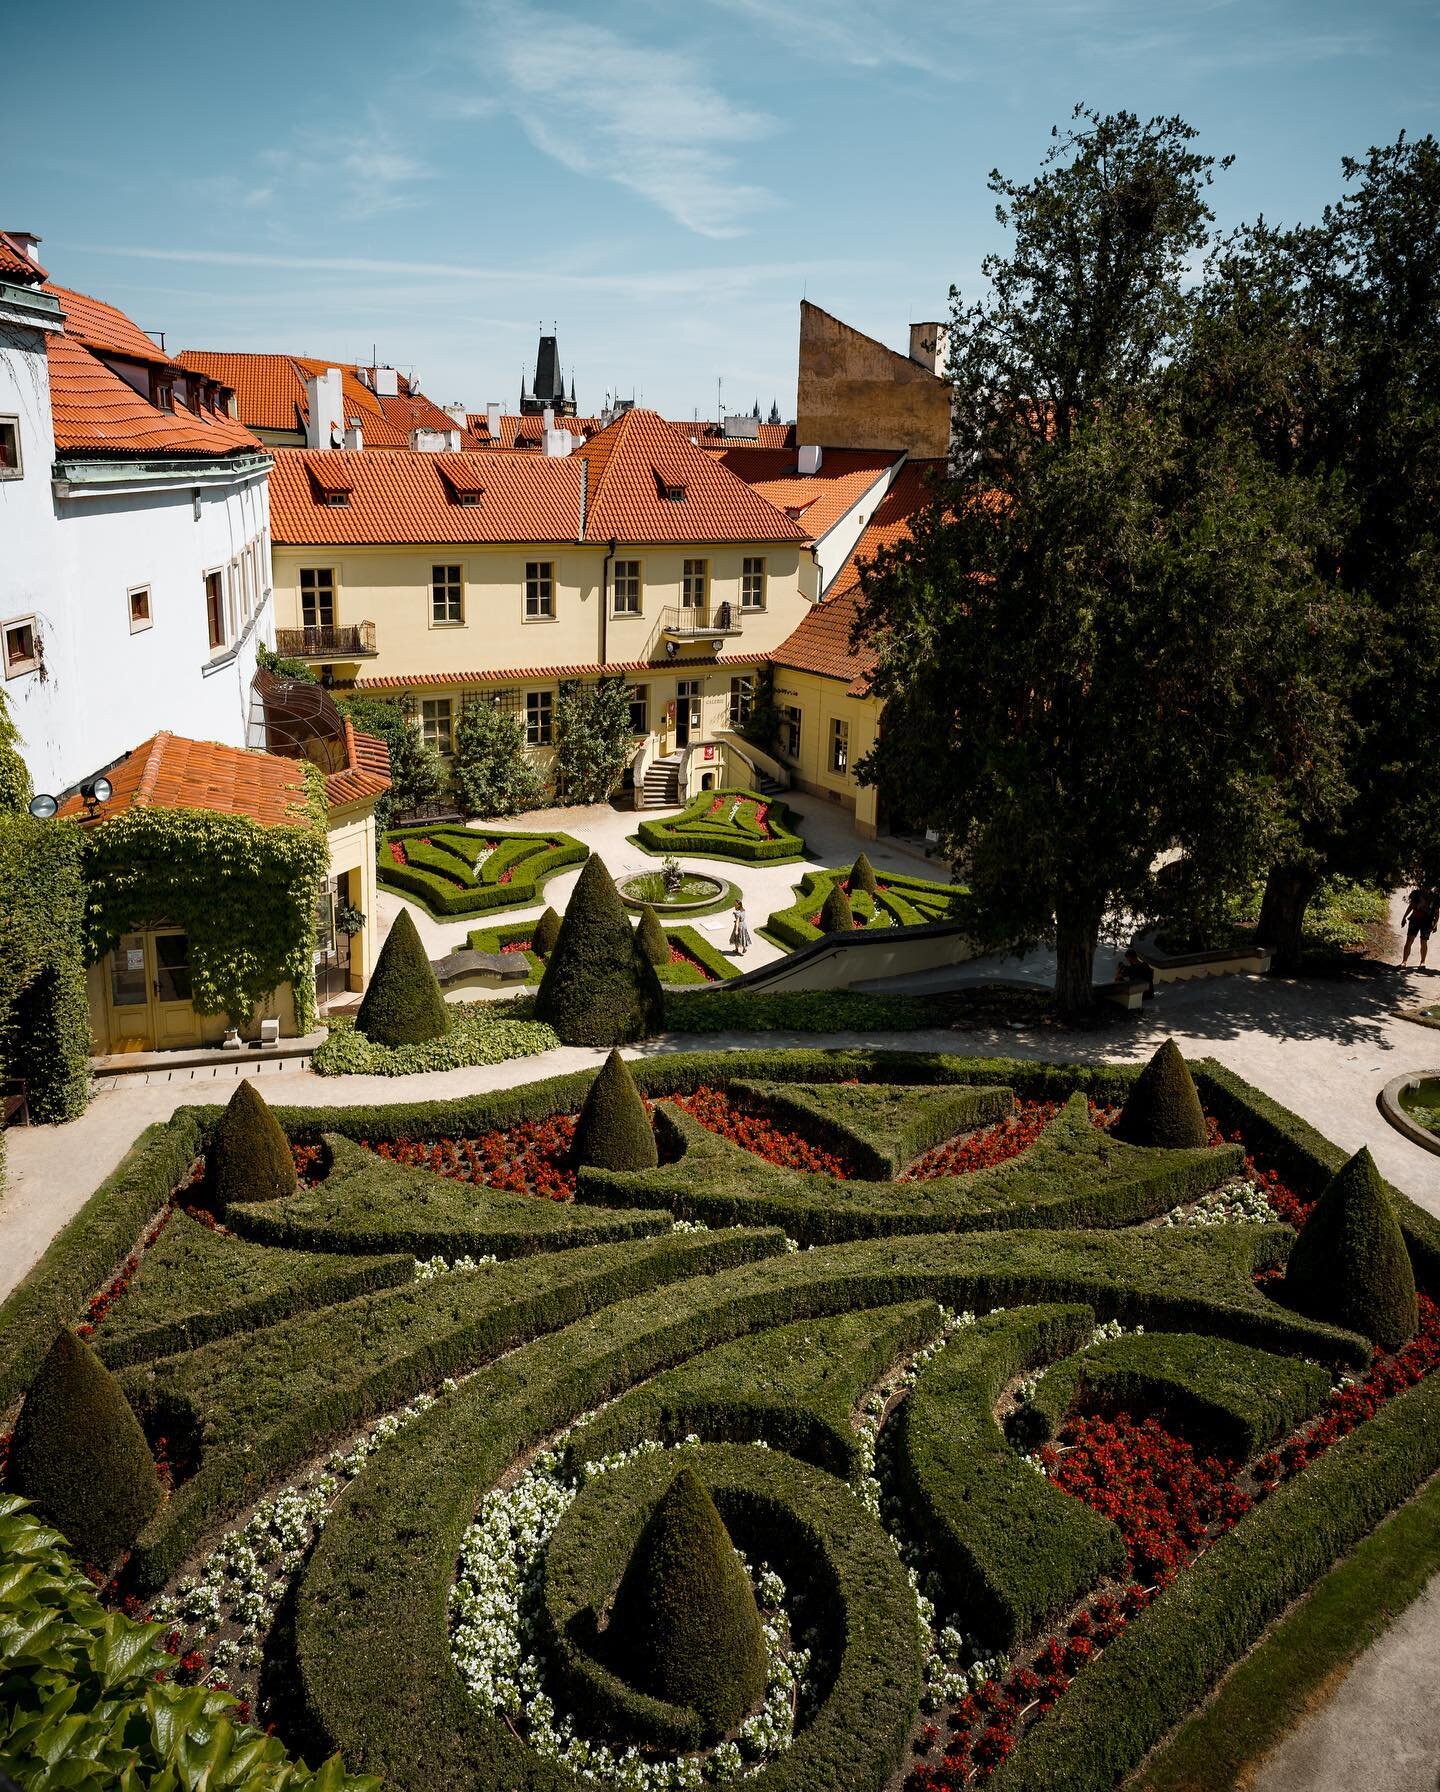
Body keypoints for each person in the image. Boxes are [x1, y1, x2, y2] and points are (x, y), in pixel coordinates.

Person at [1402, 883, 1438, 968]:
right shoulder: (1417, 894)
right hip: (1415, 920)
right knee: (1409, 940)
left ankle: (1422, 962)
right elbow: (1411, 906)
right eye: (1425, 886)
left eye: (1428, 886)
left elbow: (1437, 912)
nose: (1426, 888)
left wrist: (1435, 924)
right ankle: (1404, 961)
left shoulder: (1434, 897)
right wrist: (1404, 917)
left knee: (1423, 941)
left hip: (1427, 922)